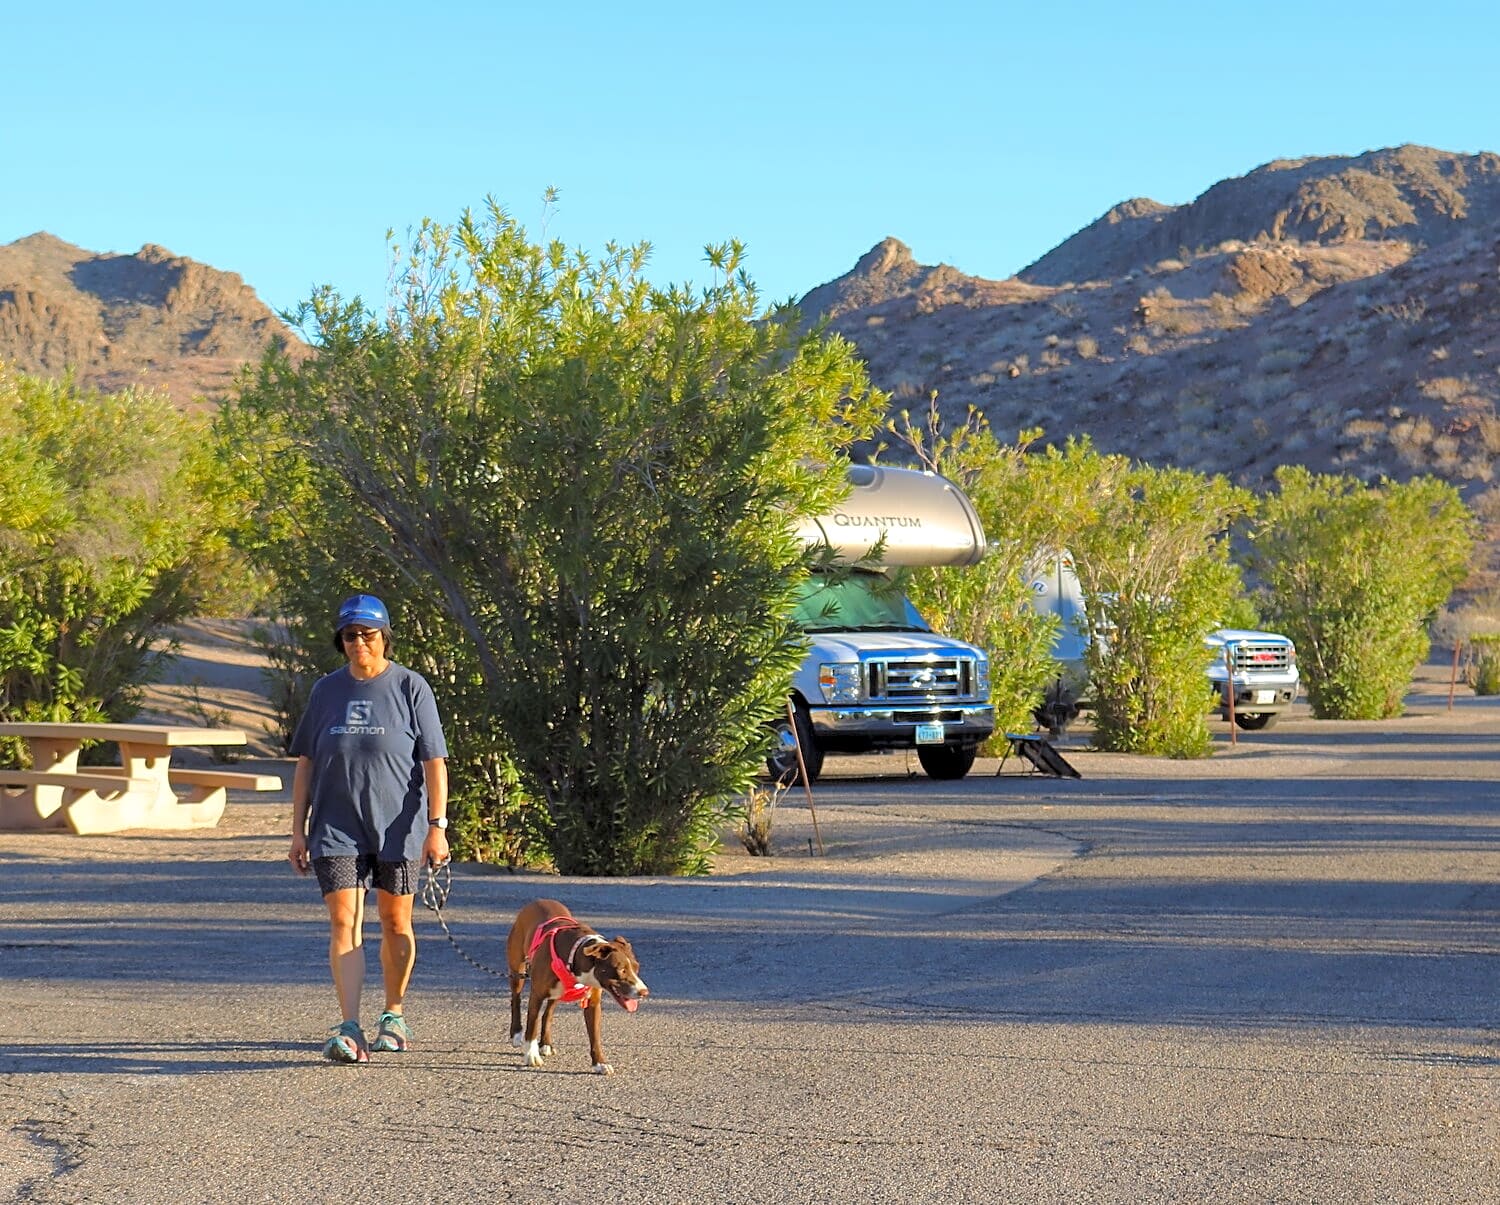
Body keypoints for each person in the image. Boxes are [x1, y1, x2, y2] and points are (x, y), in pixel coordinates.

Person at [287, 593, 450, 1063]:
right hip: (336, 825)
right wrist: (298, 830)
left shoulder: (410, 687)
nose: (359, 643)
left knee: (396, 920)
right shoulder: (325, 691)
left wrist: (437, 827)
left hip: (398, 825)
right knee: (344, 921)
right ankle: (350, 1026)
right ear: (340, 641)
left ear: (384, 637)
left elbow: (435, 763)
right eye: (350, 635)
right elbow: (306, 763)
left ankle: (393, 1014)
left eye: (368, 634)